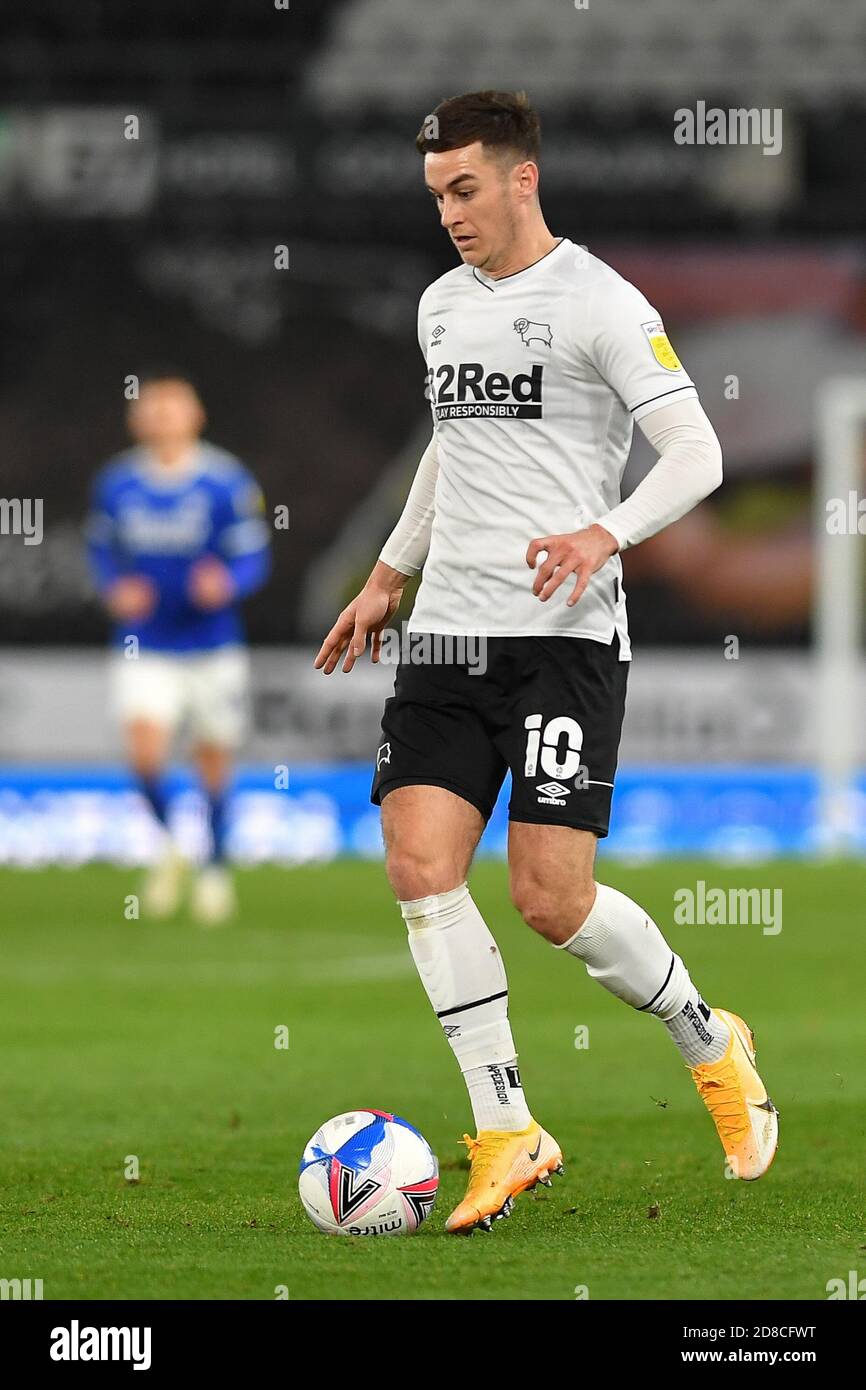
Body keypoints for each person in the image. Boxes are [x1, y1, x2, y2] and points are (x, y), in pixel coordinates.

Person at [316, 91, 778, 1234]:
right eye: (435, 197)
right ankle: (506, 1125)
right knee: (420, 865)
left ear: (522, 178)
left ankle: (705, 1037)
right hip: (449, 634)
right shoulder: (438, 307)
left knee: (546, 899)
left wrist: (602, 533)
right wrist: (386, 572)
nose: (450, 217)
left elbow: (695, 452)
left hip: (563, 640)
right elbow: (448, 445)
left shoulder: (599, 302)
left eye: (464, 190)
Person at [86, 372, 270, 924]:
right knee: (144, 755)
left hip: (212, 644)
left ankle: (214, 867)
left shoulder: (225, 482)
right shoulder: (117, 483)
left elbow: (254, 557)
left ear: (195, 417)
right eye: (153, 409)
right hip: (146, 644)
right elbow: (101, 553)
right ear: (136, 420)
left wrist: (228, 584)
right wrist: (114, 589)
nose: (163, 418)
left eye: (173, 408)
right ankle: (172, 845)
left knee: (212, 758)